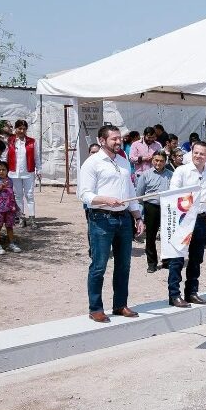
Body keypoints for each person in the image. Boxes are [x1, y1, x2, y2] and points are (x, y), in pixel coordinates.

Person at [78, 124, 144, 323]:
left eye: (119, 138)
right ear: (102, 140)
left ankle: (120, 305)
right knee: (99, 265)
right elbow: (84, 194)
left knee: (124, 265)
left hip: (123, 219)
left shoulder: (123, 161)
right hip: (101, 219)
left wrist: (137, 216)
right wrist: (105, 199)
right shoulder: (92, 163)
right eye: (114, 139)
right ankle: (96, 308)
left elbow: (131, 192)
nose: (118, 141)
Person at [165, 142, 206, 308]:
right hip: (183, 218)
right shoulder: (182, 171)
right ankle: (174, 294)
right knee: (177, 258)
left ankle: (191, 292)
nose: (198, 156)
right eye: (196, 153)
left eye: (202, 154)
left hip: (201, 220)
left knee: (196, 258)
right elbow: (173, 194)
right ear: (191, 153)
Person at [135, 150, 173, 272]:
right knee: (151, 236)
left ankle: (167, 261)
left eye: (161, 161)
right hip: (151, 207)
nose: (158, 163)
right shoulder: (145, 175)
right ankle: (152, 263)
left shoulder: (171, 175)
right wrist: (139, 215)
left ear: (165, 161)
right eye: (156, 160)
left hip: (167, 207)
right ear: (152, 160)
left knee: (168, 235)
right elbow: (139, 196)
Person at [6, 120, 38, 227]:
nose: (22, 130)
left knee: (29, 195)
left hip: (28, 172)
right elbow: (4, 156)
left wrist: (39, 169)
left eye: (24, 128)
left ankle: (32, 219)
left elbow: (36, 157)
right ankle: (21, 218)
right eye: (20, 128)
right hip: (14, 172)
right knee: (18, 196)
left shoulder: (32, 142)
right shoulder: (10, 141)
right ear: (16, 129)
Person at [0, 161, 21, 254]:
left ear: (7, 171)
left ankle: (11, 244)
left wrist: (15, 205)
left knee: (9, 226)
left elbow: (11, 194)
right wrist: (0, 187)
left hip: (9, 208)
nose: (1, 171)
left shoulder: (10, 180)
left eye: (3, 170)